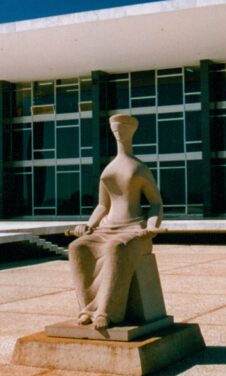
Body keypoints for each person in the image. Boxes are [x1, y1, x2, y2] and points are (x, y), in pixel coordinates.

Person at [68, 113, 163, 329]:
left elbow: (156, 203)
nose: (118, 131)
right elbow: (103, 205)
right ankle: (87, 309)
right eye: (115, 128)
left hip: (134, 229)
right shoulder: (108, 169)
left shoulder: (140, 169)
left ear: (132, 130)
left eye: (123, 127)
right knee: (77, 248)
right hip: (107, 228)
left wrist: (151, 227)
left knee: (115, 248)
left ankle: (106, 312)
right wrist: (89, 225)